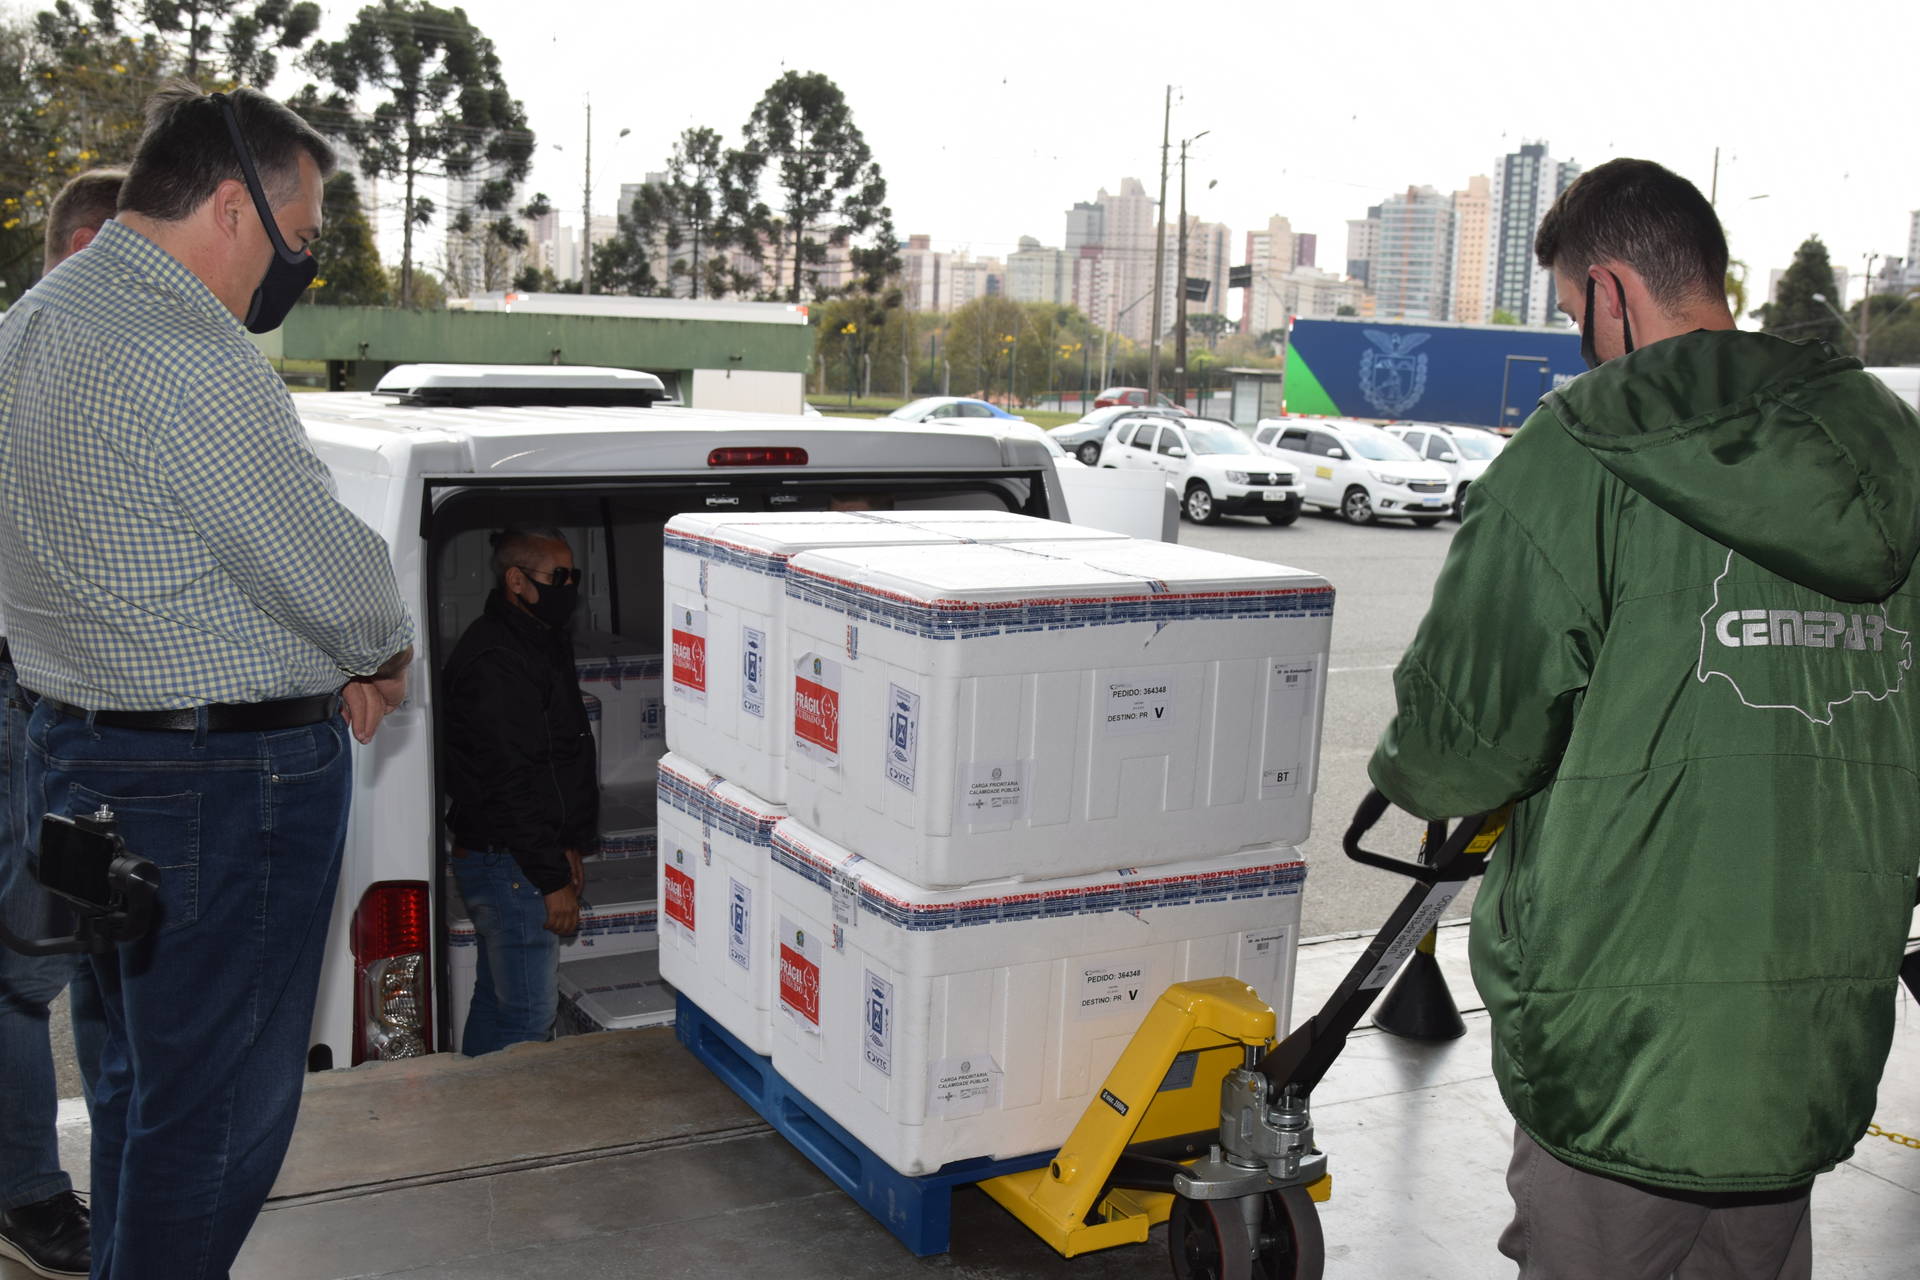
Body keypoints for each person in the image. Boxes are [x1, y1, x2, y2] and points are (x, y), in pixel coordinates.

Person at [1368, 157, 1920, 1280]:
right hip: (1810, 1036)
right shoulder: (1894, 456)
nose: (1582, 341)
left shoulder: (1571, 460)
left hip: (1621, 1033)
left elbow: (1456, 756)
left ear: (1612, 292)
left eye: (1576, 315)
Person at [0, 82, 414, 1279]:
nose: (298, 268)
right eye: (303, 235)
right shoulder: (189, 354)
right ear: (234, 207)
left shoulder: (33, 322)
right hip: (219, 785)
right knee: (216, 1115)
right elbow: (345, 590)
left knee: (138, 1083)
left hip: (77, 759)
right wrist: (381, 653)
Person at [0, 165, 126, 1280]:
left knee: (84, 947)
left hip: (68, 706)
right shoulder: (27, 368)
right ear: (89, 248)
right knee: (23, 960)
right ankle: (32, 1188)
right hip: (22, 700)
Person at [442, 529, 597, 1055]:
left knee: (499, 1004)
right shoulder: (497, 659)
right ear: (516, 580)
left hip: (519, 857)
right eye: (557, 577)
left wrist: (569, 840)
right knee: (529, 1022)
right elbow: (509, 779)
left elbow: (557, 757)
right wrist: (550, 877)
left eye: (573, 576)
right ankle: (506, 1135)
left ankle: (473, 1120)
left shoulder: (538, 640)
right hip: (510, 864)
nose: (569, 587)